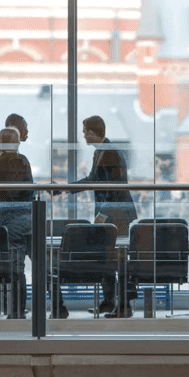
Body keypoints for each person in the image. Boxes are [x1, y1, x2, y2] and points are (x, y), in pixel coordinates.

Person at [54, 115, 138, 318]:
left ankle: (124, 306)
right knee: (107, 258)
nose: (83, 136)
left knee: (118, 260)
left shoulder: (110, 154)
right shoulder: (101, 152)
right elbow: (93, 180)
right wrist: (66, 189)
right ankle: (109, 302)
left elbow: (117, 189)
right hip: (111, 214)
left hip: (116, 216)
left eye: (84, 132)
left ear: (92, 132)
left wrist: (103, 214)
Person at [0, 127, 34, 319]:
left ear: (0, 142)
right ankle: (22, 309)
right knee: (32, 266)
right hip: (28, 219)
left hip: (11, 221)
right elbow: (28, 190)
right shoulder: (24, 160)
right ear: (17, 142)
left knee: (15, 268)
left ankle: (15, 311)